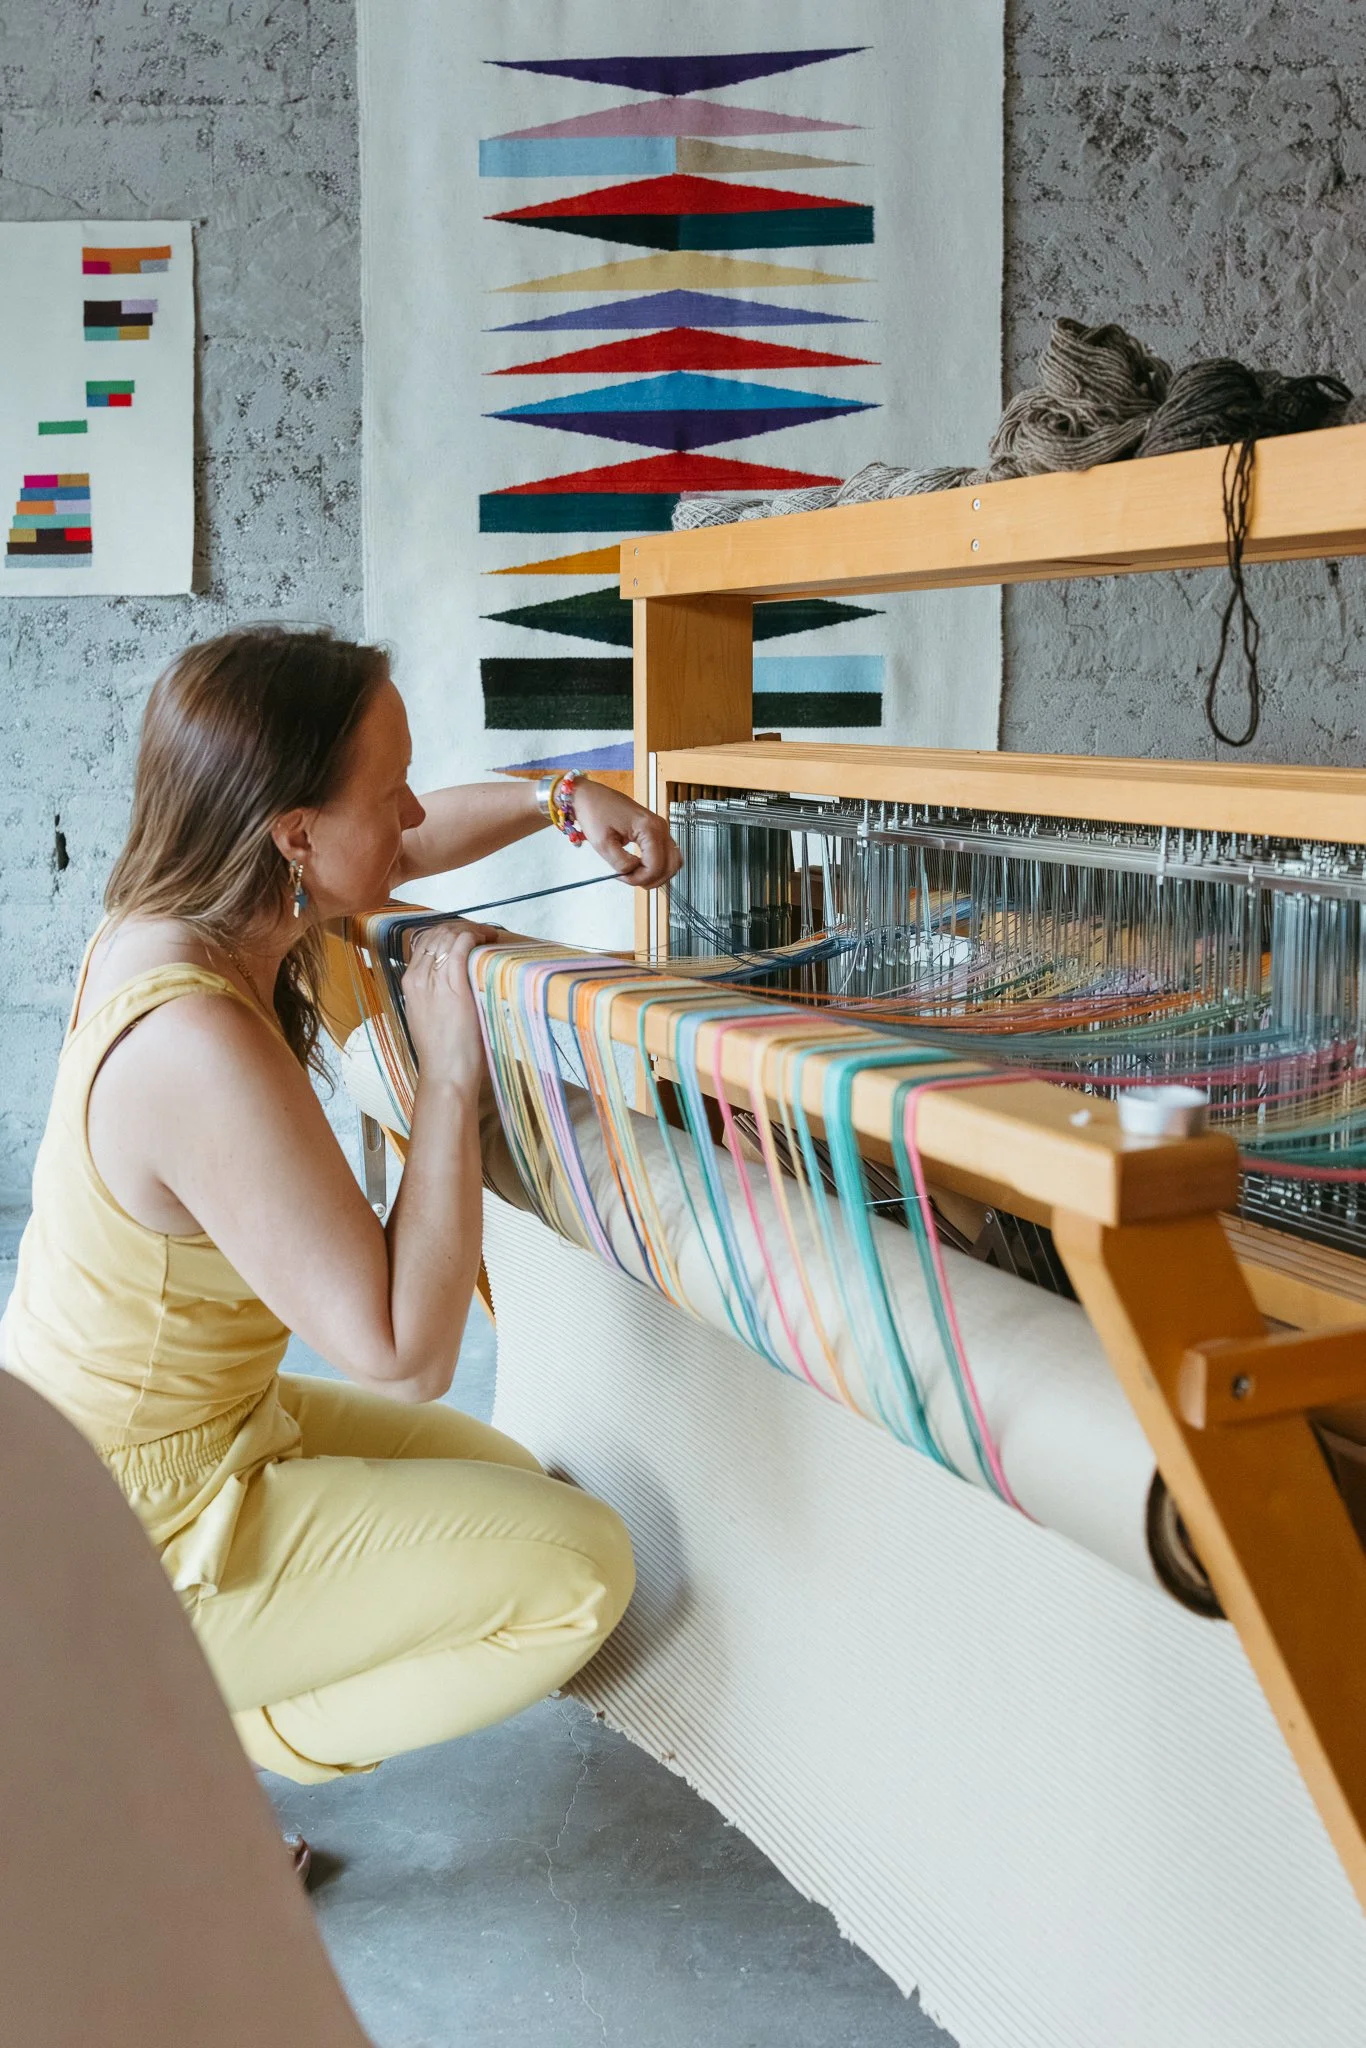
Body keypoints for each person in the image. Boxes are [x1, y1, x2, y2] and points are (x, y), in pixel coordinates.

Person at [3, 624, 681, 1818]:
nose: (416, 809)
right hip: (125, 1524)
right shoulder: (196, 1044)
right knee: (581, 1572)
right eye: (390, 788)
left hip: (169, 1438)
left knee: (513, 1477)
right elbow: (407, 1354)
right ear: (293, 834)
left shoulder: (184, 916)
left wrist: (559, 799)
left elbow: (399, 846)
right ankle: (158, 1741)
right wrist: (454, 1078)